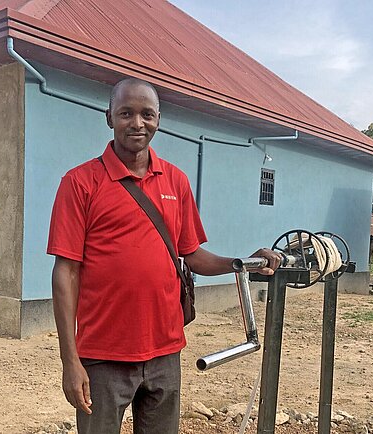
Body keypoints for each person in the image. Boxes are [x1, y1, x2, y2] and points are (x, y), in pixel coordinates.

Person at [47, 78, 281, 434]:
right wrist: (70, 360)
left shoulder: (176, 181)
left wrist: (242, 263)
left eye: (147, 114)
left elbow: (193, 256)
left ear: (159, 119)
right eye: (126, 113)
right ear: (109, 117)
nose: (137, 123)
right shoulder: (80, 183)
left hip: (164, 351)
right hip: (102, 354)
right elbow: (65, 272)